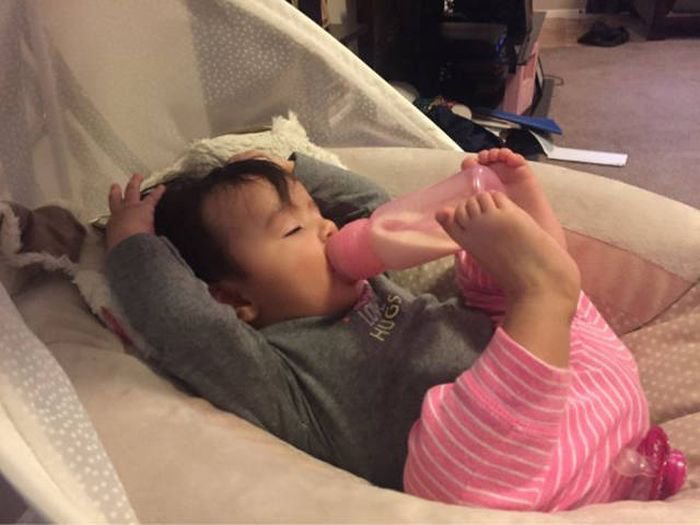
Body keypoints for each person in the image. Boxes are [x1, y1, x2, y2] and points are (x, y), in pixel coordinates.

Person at [104, 148, 678, 511]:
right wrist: (132, 240)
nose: (329, 230)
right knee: (454, 477)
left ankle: (534, 261)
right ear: (234, 299)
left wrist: (295, 167)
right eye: (293, 231)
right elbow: (178, 319)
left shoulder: (371, 283)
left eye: (319, 214)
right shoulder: (272, 368)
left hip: (585, 397)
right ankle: (543, 289)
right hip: (516, 478)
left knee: (489, 276)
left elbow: (382, 210)